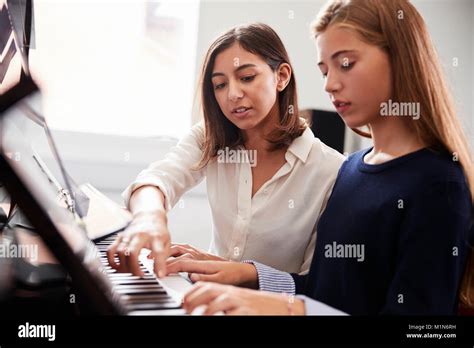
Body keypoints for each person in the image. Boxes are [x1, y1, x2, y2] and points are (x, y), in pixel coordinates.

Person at [166, 0, 474, 315]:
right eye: (324, 70)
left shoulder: (438, 183)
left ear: (400, 59)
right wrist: (247, 273)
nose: (329, 84)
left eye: (346, 64)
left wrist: (292, 310)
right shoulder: (353, 170)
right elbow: (325, 292)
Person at [107, 23, 345, 278]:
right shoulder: (211, 138)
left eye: (246, 78)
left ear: (282, 76)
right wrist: (149, 217)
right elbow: (159, 178)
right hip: (206, 296)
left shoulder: (330, 171)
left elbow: (315, 285)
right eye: (220, 85)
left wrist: (237, 272)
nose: (232, 94)